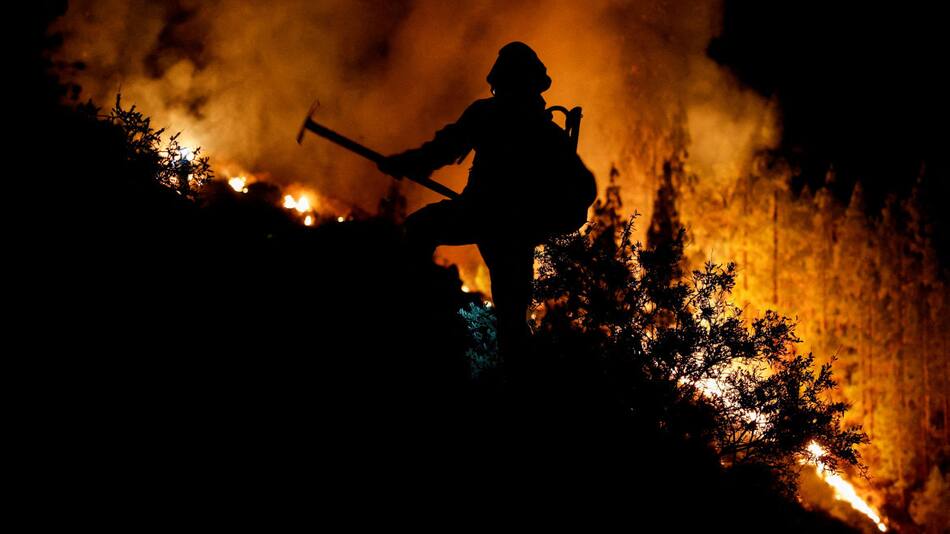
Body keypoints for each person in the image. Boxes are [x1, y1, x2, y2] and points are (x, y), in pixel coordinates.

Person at [378, 41, 595, 363]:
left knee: (420, 229)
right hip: (505, 227)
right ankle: (512, 377)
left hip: (491, 220)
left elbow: (442, 149)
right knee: (511, 317)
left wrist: (406, 162)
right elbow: (583, 189)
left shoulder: (497, 117)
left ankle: (415, 320)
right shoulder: (542, 132)